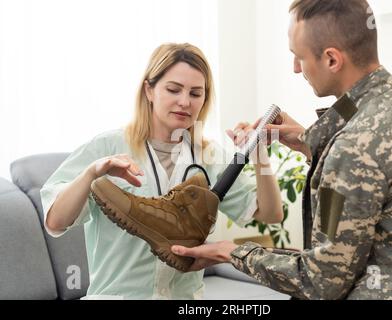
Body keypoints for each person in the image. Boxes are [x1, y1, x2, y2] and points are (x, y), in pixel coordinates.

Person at [171, 0, 392, 300]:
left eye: (298, 57)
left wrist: (235, 253)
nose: (294, 68)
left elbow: (322, 280)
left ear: (331, 59)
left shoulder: (352, 147)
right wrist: (310, 142)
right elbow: (381, 180)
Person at [40, 43, 283, 299]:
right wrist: (91, 174)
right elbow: (56, 222)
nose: (184, 102)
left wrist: (260, 156)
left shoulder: (209, 157)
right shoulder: (107, 147)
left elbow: (270, 213)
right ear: (149, 90)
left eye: (195, 93)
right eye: (173, 89)